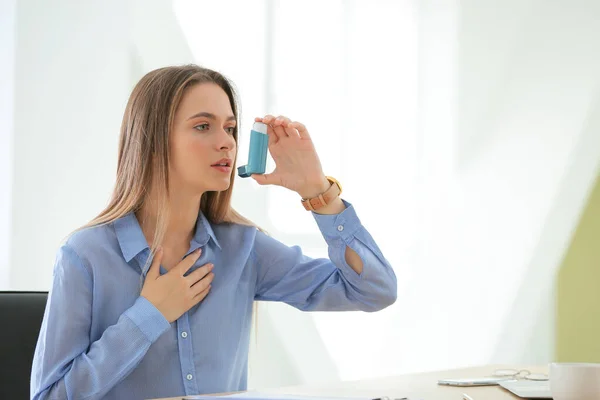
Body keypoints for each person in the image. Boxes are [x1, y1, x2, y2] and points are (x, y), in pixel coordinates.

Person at [30, 65, 397, 400]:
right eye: (203, 126)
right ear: (155, 141)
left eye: (230, 128)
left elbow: (373, 290)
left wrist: (317, 190)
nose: (227, 142)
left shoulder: (243, 248)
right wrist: (149, 315)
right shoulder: (85, 256)